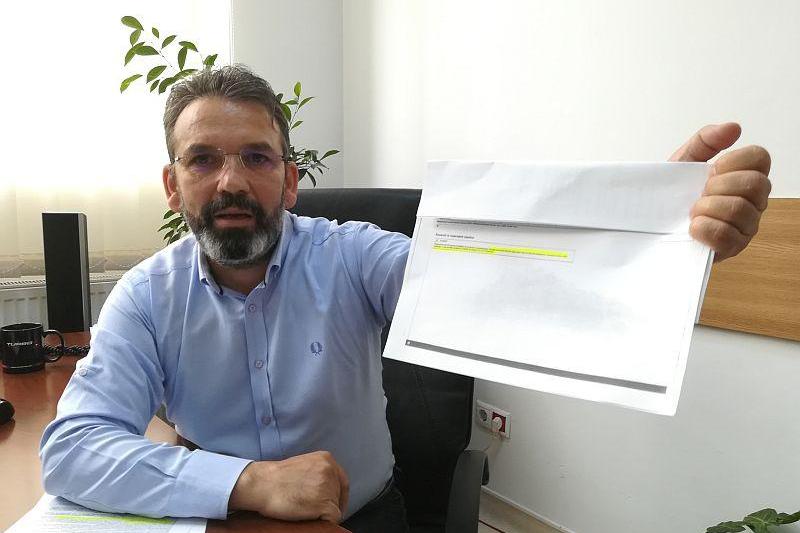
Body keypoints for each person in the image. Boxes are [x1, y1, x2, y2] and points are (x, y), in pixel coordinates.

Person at [39, 65, 772, 532]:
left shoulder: (355, 255)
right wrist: (248, 481)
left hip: (367, 518)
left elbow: (503, 293)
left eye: (256, 157)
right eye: (203, 159)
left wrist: (653, 236)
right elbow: (72, 450)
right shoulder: (145, 297)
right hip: (226, 520)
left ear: (290, 182)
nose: (231, 181)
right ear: (174, 186)